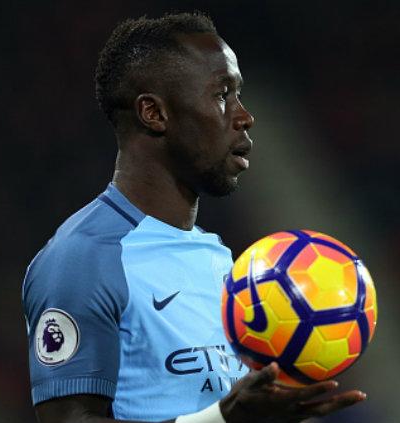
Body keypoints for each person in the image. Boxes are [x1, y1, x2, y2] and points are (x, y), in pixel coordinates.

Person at [22, 12, 366, 423]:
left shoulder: (220, 261)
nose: (244, 116)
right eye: (223, 94)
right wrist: (223, 419)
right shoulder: (82, 259)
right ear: (154, 113)